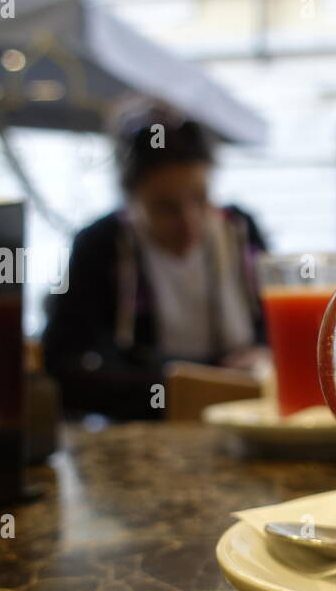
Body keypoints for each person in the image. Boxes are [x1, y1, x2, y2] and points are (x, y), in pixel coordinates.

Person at [42, 107, 269, 419]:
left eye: (200, 199)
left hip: (244, 418)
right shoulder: (101, 245)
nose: (190, 224)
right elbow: (62, 368)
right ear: (130, 199)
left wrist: (263, 354)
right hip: (144, 422)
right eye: (166, 208)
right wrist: (176, 391)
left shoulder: (240, 230)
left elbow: (274, 330)